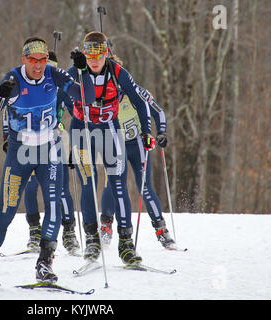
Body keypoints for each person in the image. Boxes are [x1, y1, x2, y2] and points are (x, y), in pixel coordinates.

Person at [0, 37, 94, 286]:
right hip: (19, 153)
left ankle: (45, 263)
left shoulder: (53, 76)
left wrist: (83, 69)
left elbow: (86, 96)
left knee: (54, 206)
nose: (38, 66)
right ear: (24, 59)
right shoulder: (12, 79)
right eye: (33, 61)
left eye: (43, 60)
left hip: (49, 152)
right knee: (6, 211)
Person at [67, 31, 156, 266]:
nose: (94, 60)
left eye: (99, 54)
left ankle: (126, 243)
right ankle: (92, 239)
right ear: (84, 54)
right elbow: (60, 96)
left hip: (109, 130)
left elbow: (140, 102)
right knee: (88, 182)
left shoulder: (118, 73)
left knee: (118, 183)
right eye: (89, 54)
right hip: (82, 130)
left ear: (107, 53)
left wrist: (146, 131)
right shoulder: (75, 71)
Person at [3, 51, 80, 255]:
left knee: (61, 190)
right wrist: (6, 138)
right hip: (28, 146)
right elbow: (8, 113)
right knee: (30, 188)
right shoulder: (26, 87)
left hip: (55, 142)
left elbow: (76, 109)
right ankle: (34, 231)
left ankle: (69, 230)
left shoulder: (59, 88)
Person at [99, 76, 175, 249]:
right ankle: (106, 226)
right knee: (112, 185)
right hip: (114, 146)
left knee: (145, 187)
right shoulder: (100, 94)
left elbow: (159, 112)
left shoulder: (135, 91)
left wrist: (161, 132)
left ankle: (161, 230)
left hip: (137, 144)